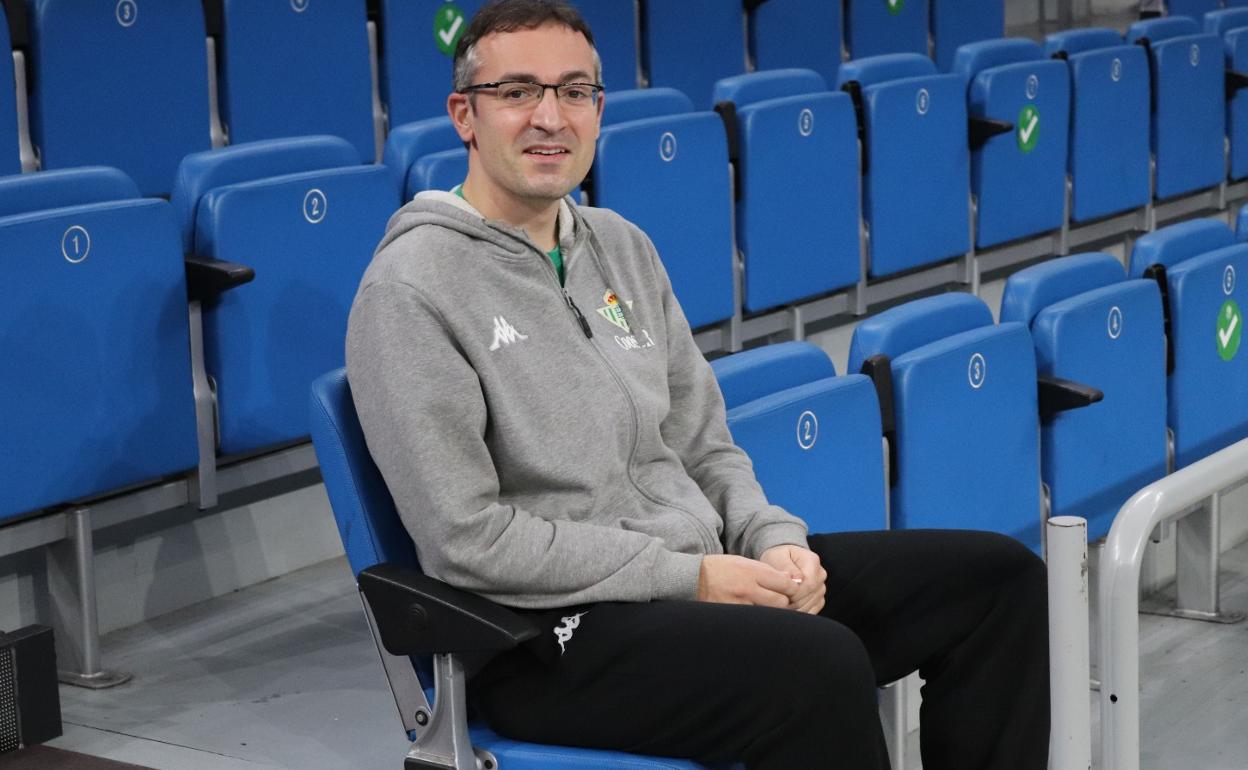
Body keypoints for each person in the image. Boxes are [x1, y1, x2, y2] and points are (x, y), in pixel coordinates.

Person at [346, 1, 1050, 767]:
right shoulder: (412, 288)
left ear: (598, 109)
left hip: (693, 574)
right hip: (543, 636)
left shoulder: (620, 247)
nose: (550, 117)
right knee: (816, 665)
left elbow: (705, 447)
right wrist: (690, 578)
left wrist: (774, 542)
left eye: (574, 91)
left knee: (997, 582)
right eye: (517, 92)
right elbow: (465, 542)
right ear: (465, 115)